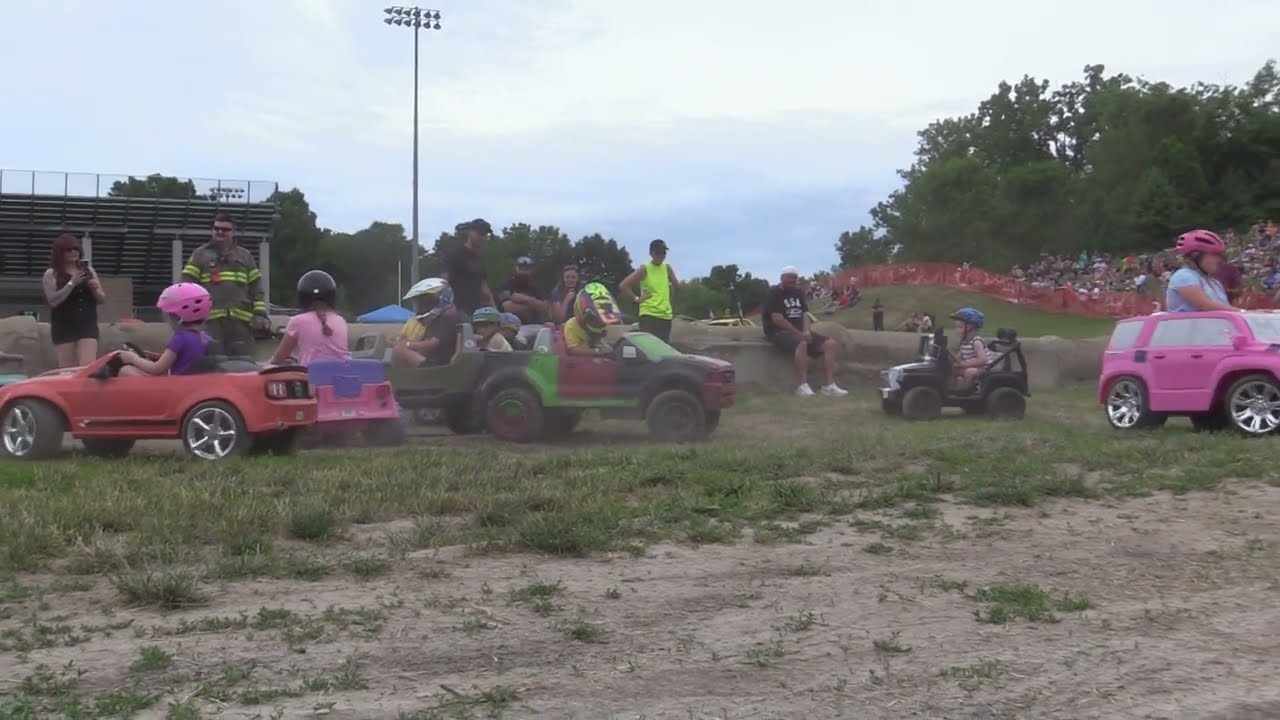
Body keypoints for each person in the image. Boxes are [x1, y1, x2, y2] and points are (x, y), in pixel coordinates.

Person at [181, 213, 269, 356]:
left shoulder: (245, 256)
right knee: (213, 363)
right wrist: (193, 320)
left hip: (241, 323)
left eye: (225, 229)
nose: (220, 232)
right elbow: (187, 285)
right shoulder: (199, 254)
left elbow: (256, 287)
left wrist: (259, 313)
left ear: (233, 232)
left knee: (244, 364)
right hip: (210, 323)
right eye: (216, 228)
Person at [761, 267, 847, 397]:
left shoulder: (798, 293)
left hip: (799, 333)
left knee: (830, 344)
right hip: (777, 332)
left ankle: (829, 385)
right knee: (802, 342)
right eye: (789, 277)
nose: (792, 280)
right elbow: (777, 319)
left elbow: (805, 314)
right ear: (782, 278)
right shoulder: (774, 293)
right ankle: (802, 385)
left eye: (795, 278)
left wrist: (806, 331)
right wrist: (799, 334)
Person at [118, 283, 211, 376]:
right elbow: (188, 360)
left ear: (176, 316)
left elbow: (156, 369)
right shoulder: (205, 337)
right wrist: (160, 357)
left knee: (126, 370)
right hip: (194, 383)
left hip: (177, 386)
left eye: (168, 315)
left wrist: (133, 358)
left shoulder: (181, 338)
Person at [42, 233, 105, 368]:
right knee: (68, 369)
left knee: (87, 366)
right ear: (60, 253)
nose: (73, 252)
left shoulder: (89, 271)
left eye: (76, 249)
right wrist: (72, 283)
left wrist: (94, 289)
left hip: (87, 322)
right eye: (68, 250)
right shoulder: (51, 274)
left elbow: (102, 299)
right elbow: (53, 301)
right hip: (64, 324)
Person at [269, 270, 350, 366]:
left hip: (312, 377)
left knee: (269, 367)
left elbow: (279, 358)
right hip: (342, 375)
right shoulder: (340, 320)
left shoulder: (297, 321)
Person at [390, 277, 459, 368]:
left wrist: (406, 345)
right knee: (398, 349)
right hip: (433, 361)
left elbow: (432, 344)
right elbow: (426, 344)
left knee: (399, 350)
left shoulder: (447, 318)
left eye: (426, 300)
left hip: (440, 365)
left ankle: (404, 381)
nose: (422, 304)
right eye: (421, 300)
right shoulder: (436, 319)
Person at [1165, 230, 1239, 313]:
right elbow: (1206, 306)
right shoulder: (1184, 276)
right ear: (1195, 256)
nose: (1219, 259)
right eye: (1214, 255)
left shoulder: (1214, 282)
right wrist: (1241, 312)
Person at [619, 238, 677, 342]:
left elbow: (677, 286)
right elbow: (624, 285)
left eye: (663, 253)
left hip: (665, 315)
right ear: (651, 253)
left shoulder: (667, 268)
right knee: (650, 349)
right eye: (658, 252)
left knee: (664, 349)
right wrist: (636, 298)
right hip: (649, 315)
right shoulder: (645, 268)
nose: (661, 255)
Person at [445, 218, 495, 315]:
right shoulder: (456, 255)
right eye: (479, 233)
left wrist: (495, 310)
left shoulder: (479, 259)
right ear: (470, 232)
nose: (482, 237)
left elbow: (484, 286)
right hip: (458, 310)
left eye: (485, 234)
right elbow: (445, 282)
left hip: (478, 310)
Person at [563, 282, 620, 356]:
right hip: (583, 363)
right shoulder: (571, 325)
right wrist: (599, 352)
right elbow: (573, 350)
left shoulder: (607, 323)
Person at [498, 256, 548, 324]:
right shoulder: (506, 285)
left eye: (526, 268)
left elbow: (545, 307)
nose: (524, 271)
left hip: (534, 325)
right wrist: (535, 304)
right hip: (510, 326)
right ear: (516, 268)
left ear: (531, 270)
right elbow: (508, 307)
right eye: (521, 268)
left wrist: (524, 299)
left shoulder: (536, 286)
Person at [949, 307, 988, 392]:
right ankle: (952, 388)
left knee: (969, 372)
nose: (956, 330)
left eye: (960, 327)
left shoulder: (976, 342)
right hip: (969, 366)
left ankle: (969, 391)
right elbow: (960, 355)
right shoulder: (964, 342)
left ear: (970, 327)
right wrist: (954, 361)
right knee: (953, 369)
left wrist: (964, 364)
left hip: (981, 368)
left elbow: (982, 360)